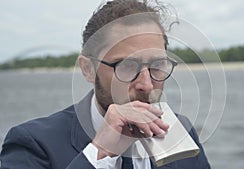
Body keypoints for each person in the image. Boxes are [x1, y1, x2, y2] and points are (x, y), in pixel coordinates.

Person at [0, 0, 211, 168]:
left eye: (157, 65)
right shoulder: (34, 144)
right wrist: (100, 153)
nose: (147, 85)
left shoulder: (181, 130)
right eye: (127, 66)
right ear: (88, 69)